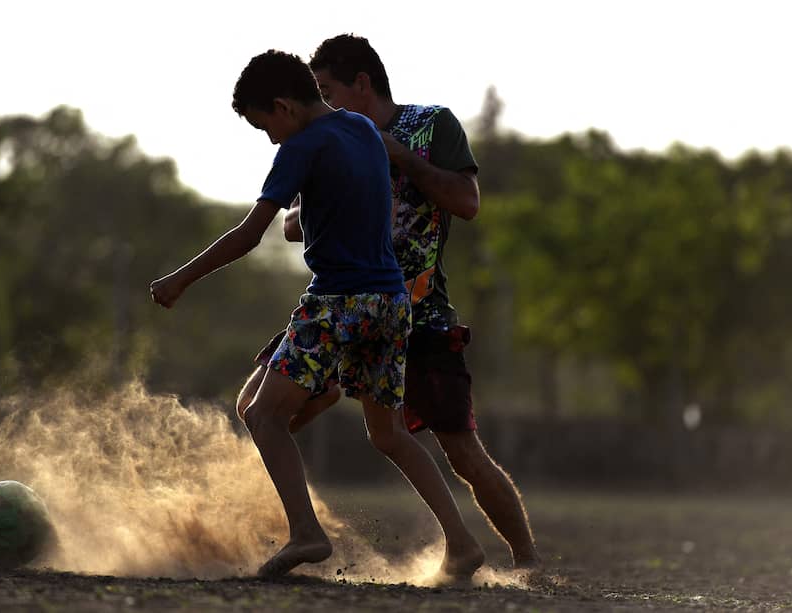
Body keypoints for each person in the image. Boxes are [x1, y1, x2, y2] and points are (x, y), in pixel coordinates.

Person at [151, 49, 482, 579]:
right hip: (391, 301)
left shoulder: (300, 147)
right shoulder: (363, 130)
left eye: (265, 126)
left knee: (261, 414)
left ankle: (307, 533)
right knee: (390, 433)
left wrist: (180, 279)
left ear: (283, 106)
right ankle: (463, 543)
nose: (270, 138)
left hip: (338, 300)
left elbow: (250, 235)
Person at [236, 35, 541, 570]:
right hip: (357, 302)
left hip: (410, 311)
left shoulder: (428, 125)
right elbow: (292, 224)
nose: (323, 100)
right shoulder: (336, 136)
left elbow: (467, 203)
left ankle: (526, 562)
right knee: (259, 408)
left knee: (462, 452)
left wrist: (399, 157)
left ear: (362, 83)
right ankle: (290, 517)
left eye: (329, 89)